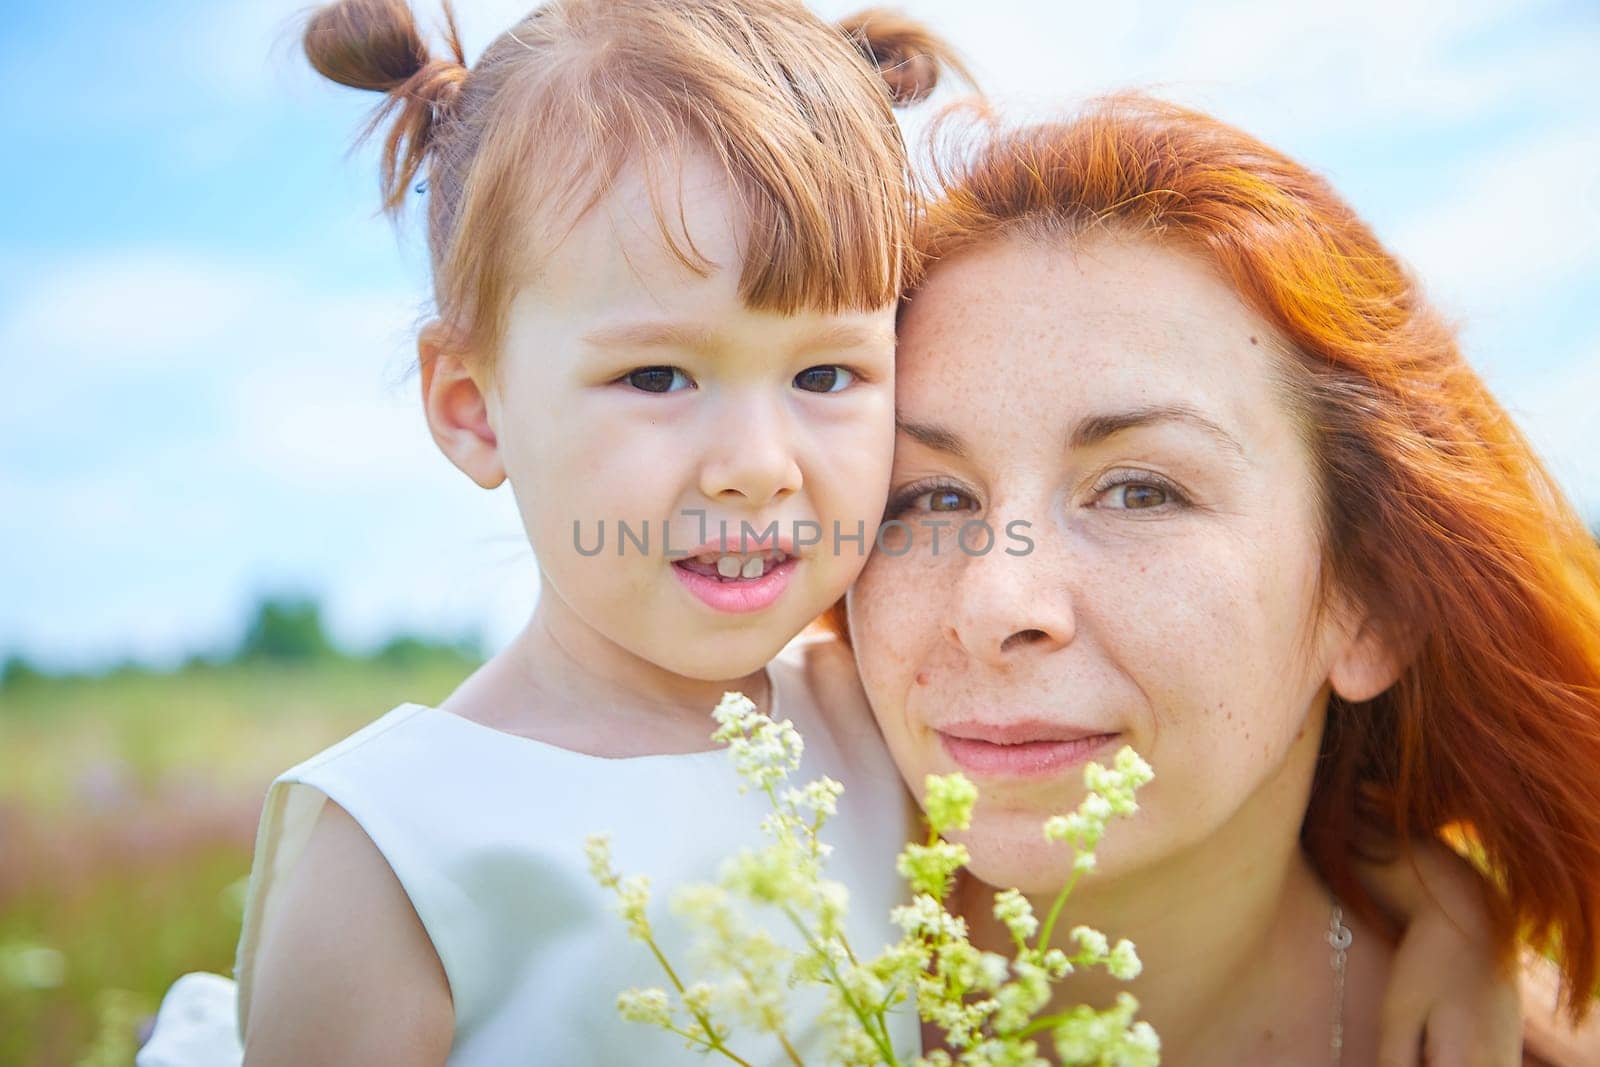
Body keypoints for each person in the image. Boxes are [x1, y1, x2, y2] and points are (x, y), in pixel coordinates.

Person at [137, 1, 965, 1063]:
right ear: (474, 406)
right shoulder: (400, 838)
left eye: (824, 373)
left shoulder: (887, 720)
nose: (759, 463)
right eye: (657, 374)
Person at [846, 93, 1600, 1065]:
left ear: (1372, 602)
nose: (996, 602)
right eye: (930, 498)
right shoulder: (680, 949)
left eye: (1137, 490)